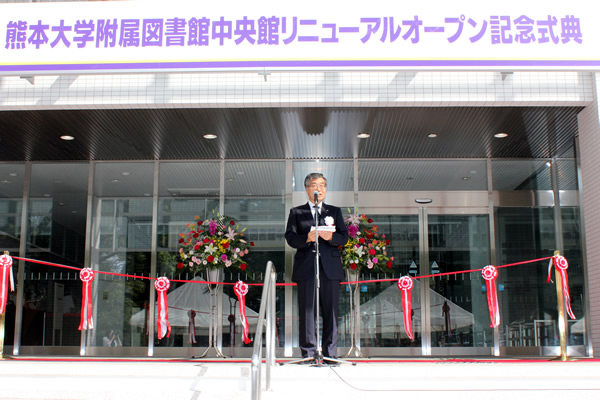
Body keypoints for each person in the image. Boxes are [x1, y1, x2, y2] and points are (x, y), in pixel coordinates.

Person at [285, 172, 349, 361]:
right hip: (306, 268)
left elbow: (344, 237)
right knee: (307, 311)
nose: (319, 189)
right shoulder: (296, 212)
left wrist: (332, 237)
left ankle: (330, 354)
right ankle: (308, 353)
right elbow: (290, 238)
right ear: (307, 189)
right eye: (314, 185)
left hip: (330, 268)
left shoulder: (334, 211)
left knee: (331, 311)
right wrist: (306, 238)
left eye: (322, 185)